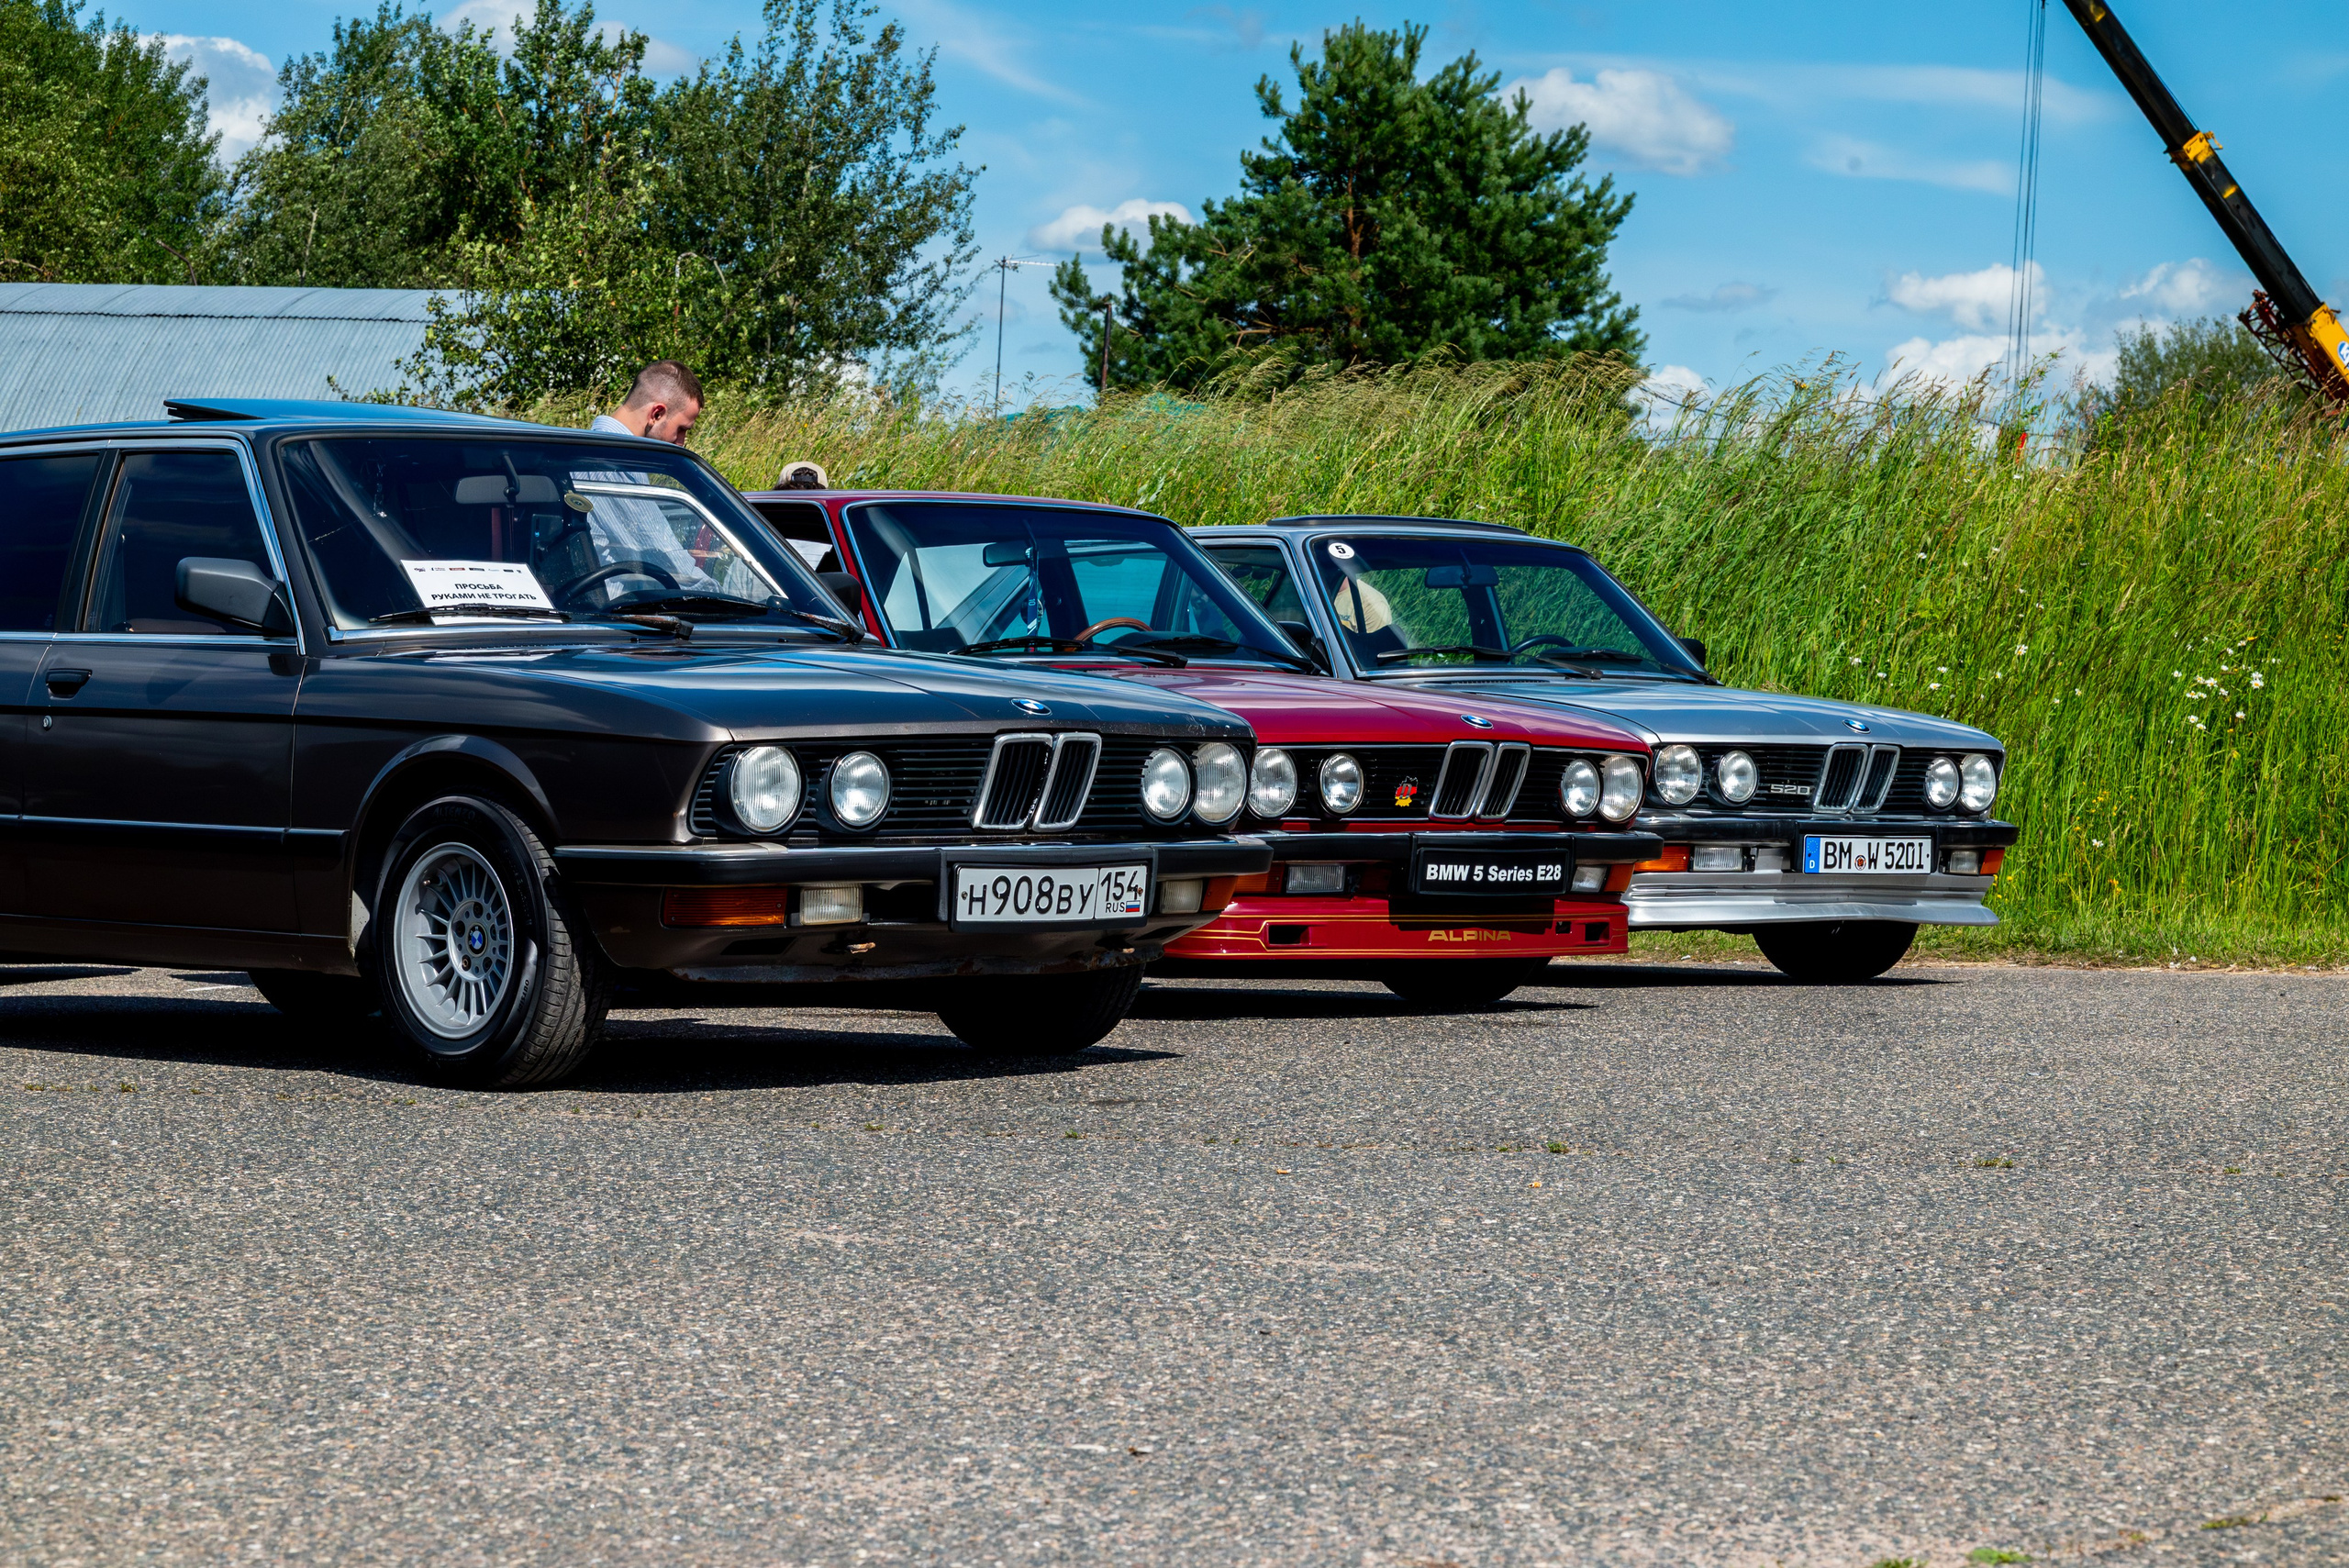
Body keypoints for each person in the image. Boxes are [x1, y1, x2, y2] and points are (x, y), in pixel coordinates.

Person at [590, 361, 703, 445]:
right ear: (656, 415)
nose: (681, 442)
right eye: (681, 429)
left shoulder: (596, 449)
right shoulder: (610, 464)